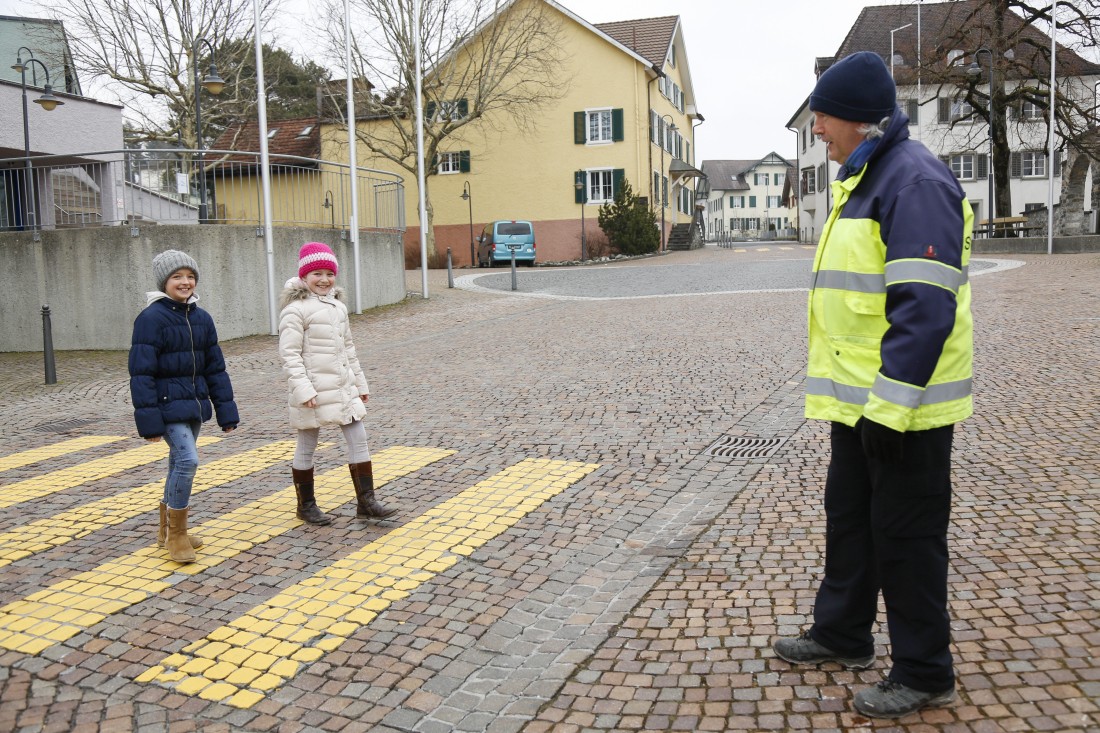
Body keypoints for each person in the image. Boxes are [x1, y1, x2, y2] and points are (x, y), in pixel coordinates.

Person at [772, 51, 974, 719]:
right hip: (860, 404)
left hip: (901, 412)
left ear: (857, 119)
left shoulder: (912, 182)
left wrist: (888, 410)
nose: (818, 129)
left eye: (821, 118)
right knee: (851, 520)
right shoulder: (867, 176)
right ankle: (843, 631)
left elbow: (925, 306)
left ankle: (924, 669)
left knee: (907, 537)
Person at [129, 249, 239, 564]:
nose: (185, 281)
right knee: (188, 462)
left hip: (193, 405)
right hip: (166, 407)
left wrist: (226, 412)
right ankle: (177, 536)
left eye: (190, 276)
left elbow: (215, 369)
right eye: (177, 276)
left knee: (176, 464)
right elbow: (141, 372)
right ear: (164, 281)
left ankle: (167, 532)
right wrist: (149, 423)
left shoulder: (202, 318)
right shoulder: (150, 318)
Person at [278, 241, 396, 525]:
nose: (324, 279)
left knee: (359, 436)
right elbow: (289, 354)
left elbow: (348, 349)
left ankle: (366, 502)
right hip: (312, 391)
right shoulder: (295, 310)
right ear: (305, 276)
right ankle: (306, 505)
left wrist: (360, 384)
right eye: (316, 273)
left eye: (329, 273)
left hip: (343, 388)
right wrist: (304, 389)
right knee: (308, 443)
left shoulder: (338, 308)